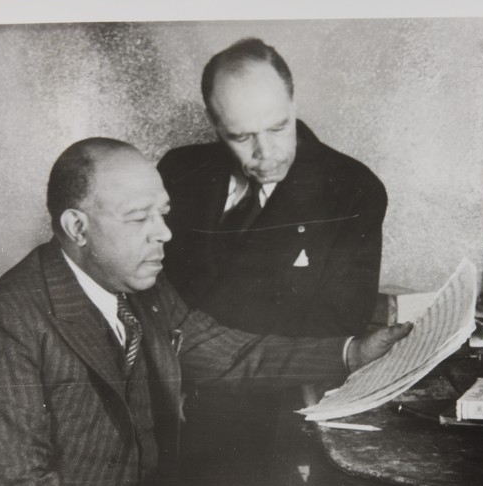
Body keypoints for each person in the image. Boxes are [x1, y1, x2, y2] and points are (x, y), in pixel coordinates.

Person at [0, 138, 410, 486]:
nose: (165, 233)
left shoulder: (139, 288)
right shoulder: (0, 322)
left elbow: (228, 352)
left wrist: (353, 353)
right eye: (138, 218)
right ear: (77, 227)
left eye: (163, 213)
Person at [158, 37, 386, 339]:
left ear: (293, 103)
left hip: (279, 383)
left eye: (278, 128)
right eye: (241, 137)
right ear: (213, 121)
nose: (265, 152)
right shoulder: (178, 171)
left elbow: (336, 331)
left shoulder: (352, 190)